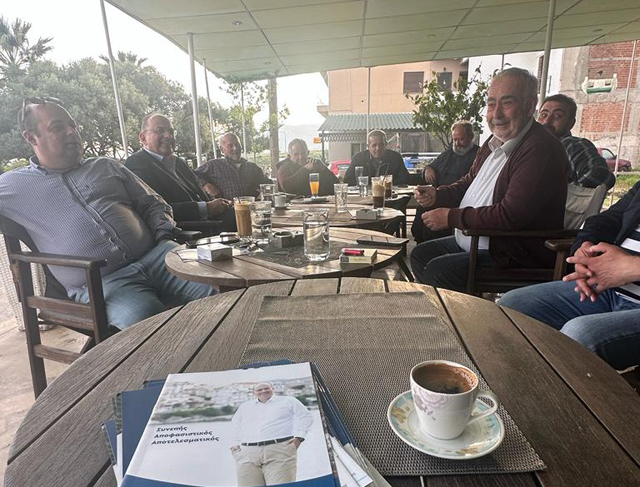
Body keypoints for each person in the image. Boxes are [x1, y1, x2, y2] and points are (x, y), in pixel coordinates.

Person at [0, 97, 216, 330]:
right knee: (152, 324)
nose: (72, 132)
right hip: (103, 283)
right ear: (31, 138)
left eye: (73, 125)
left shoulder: (105, 165)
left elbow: (154, 203)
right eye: (58, 127)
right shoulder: (13, 187)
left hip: (160, 256)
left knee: (221, 288)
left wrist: (164, 236)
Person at [410, 67, 568, 292]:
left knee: (439, 271)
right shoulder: (494, 142)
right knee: (420, 254)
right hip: (478, 242)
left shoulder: (540, 148)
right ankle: (452, 308)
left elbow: (511, 215)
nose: (496, 114)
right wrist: (438, 194)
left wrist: (451, 217)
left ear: (529, 106)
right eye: (491, 104)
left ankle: (463, 313)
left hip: (513, 253)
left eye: (507, 103)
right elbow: (469, 181)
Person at [500, 181, 640, 370]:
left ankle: (547, 387)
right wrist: (585, 250)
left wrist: (632, 267)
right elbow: (605, 220)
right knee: (513, 305)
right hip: (610, 290)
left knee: (580, 334)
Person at [124, 114, 235, 231]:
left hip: (211, 221)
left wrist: (219, 204)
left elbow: (199, 194)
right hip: (186, 231)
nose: (168, 136)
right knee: (240, 216)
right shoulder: (137, 164)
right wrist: (206, 208)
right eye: (160, 130)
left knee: (243, 209)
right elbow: (154, 209)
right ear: (143, 138)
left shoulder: (179, 163)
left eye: (171, 132)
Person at [230, 382, 313, 486]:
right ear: (254, 392)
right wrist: (234, 445)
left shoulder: (288, 401)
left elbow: (306, 417)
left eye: (266, 388)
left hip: (279, 450)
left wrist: (299, 438)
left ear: (272, 389)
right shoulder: (245, 406)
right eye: (259, 390)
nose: (264, 391)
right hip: (247, 453)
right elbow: (235, 425)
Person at [412, 121, 479, 243]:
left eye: (461, 139)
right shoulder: (447, 154)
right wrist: (428, 169)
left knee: (431, 214)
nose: (457, 144)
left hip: (460, 200)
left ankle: (434, 246)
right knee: (423, 206)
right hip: (439, 195)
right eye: (454, 140)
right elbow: (430, 166)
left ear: (470, 137)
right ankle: (420, 242)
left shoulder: (478, 156)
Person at [538, 93, 615, 189]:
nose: (546, 121)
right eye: (543, 115)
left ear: (571, 123)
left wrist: (560, 194)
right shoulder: (535, 147)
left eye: (557, 115)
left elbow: (602, 175)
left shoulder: (570, 145)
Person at [194, 133, 271, 200]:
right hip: (225, 209)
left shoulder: (252, 167)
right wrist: (206, 185)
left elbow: (268, 184)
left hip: (250, 208)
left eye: (237, 144)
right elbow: (193, 175)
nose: (235, 148)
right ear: (222, 149)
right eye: (230, 146)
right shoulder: (214, 165)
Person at [344, 130, 410, 186]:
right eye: (374, 145)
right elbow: (347, 180)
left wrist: (385, 184)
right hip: (365, 194)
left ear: (386, 144)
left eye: (381, 145)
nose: (378, 148)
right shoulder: (358, 158)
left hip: (389, 194)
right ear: (368, 146)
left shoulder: (395, 158)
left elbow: (405, 179)